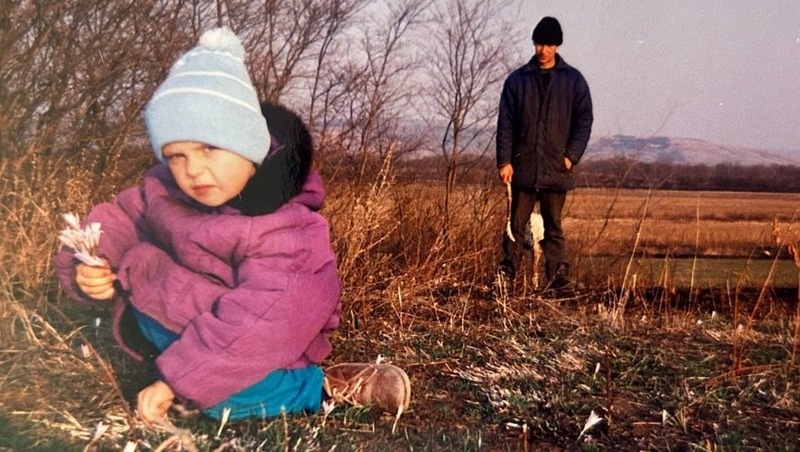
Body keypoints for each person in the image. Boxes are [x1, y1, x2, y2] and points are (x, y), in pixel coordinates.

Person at [55, 27, 410, 424]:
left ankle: (318, 385)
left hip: (261, 347)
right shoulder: (166, 192)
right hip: (188, 326)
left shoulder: (288, 230)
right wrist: (90, 263)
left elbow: (260, 324)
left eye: (209, 147)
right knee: (140, 259)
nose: (192, 169)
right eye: (175, 155)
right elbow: (118, 218)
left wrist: (177, 381)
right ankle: (185, 376)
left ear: (248, 144)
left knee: (224, 399)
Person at [495, 16, 593, 291]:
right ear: (534, 43)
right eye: (540, 44)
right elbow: (505, 123)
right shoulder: (517, 81)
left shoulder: (573, 81)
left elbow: (584, 120)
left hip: (555, 168)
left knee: (553, 227)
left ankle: (557, 281)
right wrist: (504, 161)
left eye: (549, 45)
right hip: (523, 167)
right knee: (515, 226)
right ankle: (506, 277)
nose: (544, 50)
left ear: (557, 46)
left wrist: (571, 156)